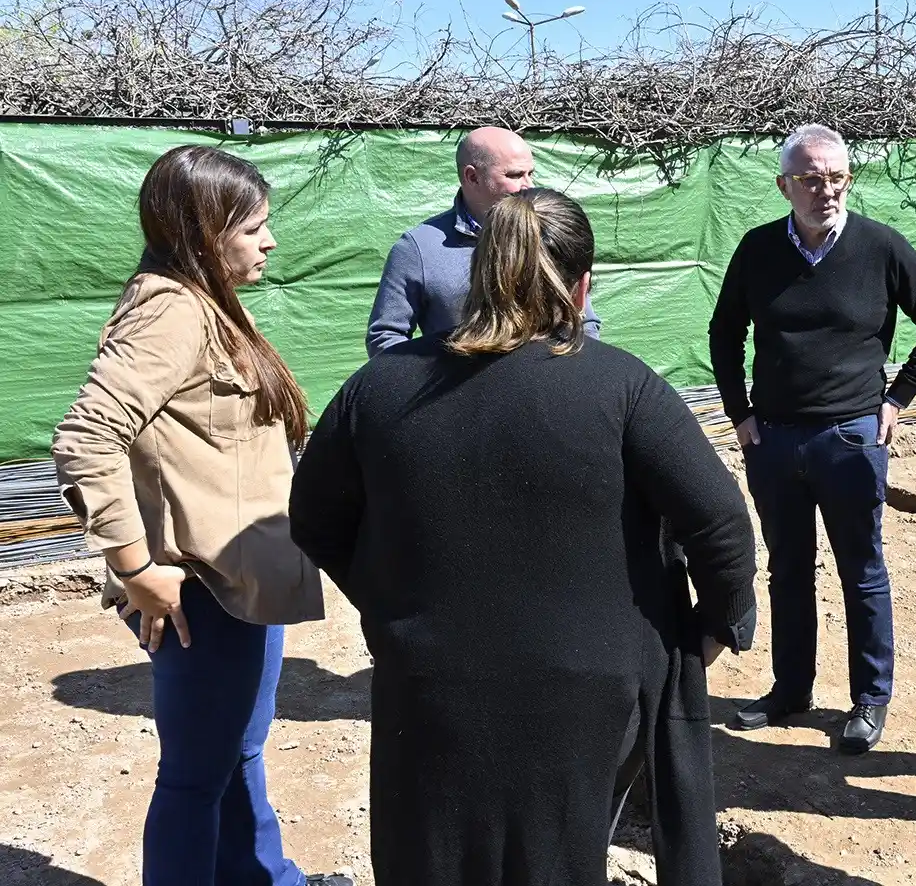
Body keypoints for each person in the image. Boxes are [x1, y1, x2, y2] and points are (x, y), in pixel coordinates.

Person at [289, 188, 758, 886]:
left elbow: (315, 518)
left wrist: (394, 600)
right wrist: (717, 627)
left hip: (431, 682)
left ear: (475, 276)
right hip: (593, 692)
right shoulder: (622, 386)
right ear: (583, 284)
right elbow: (720, 524)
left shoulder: (381, 388)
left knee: (436, 858)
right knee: (563, 860)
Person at [51, 146, 347, 886]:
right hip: (202, 589)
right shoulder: (171, 309)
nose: (269, 242)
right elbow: (87, 437)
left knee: (234, 754)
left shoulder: (202, 299)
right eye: (253, 228)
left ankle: (264, 877)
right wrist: (136, 567)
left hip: (238, 582)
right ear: (203, 231)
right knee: (194, 777)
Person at [709, 123, 916, 754]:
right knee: (787, 570)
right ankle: (791, 690)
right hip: (772, 441)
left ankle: (869, 700)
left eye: (837, 176)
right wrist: (740, 413)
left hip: (850, 439)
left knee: (862, 569)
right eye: (811, 178)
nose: (826, 189)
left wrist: (898, 397)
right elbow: (723, 332)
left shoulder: (881, 247)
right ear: (784, 185)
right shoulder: (759, 249)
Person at [365, 126, 601, 356]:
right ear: (472, 177)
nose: (528, 185)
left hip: (547, 387)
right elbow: (385, 336)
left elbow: (585, 322)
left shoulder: (549, 231)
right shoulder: (419, 248)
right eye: (515, 175)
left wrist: (573, 379)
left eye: (531, 173)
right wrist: (440, 387)